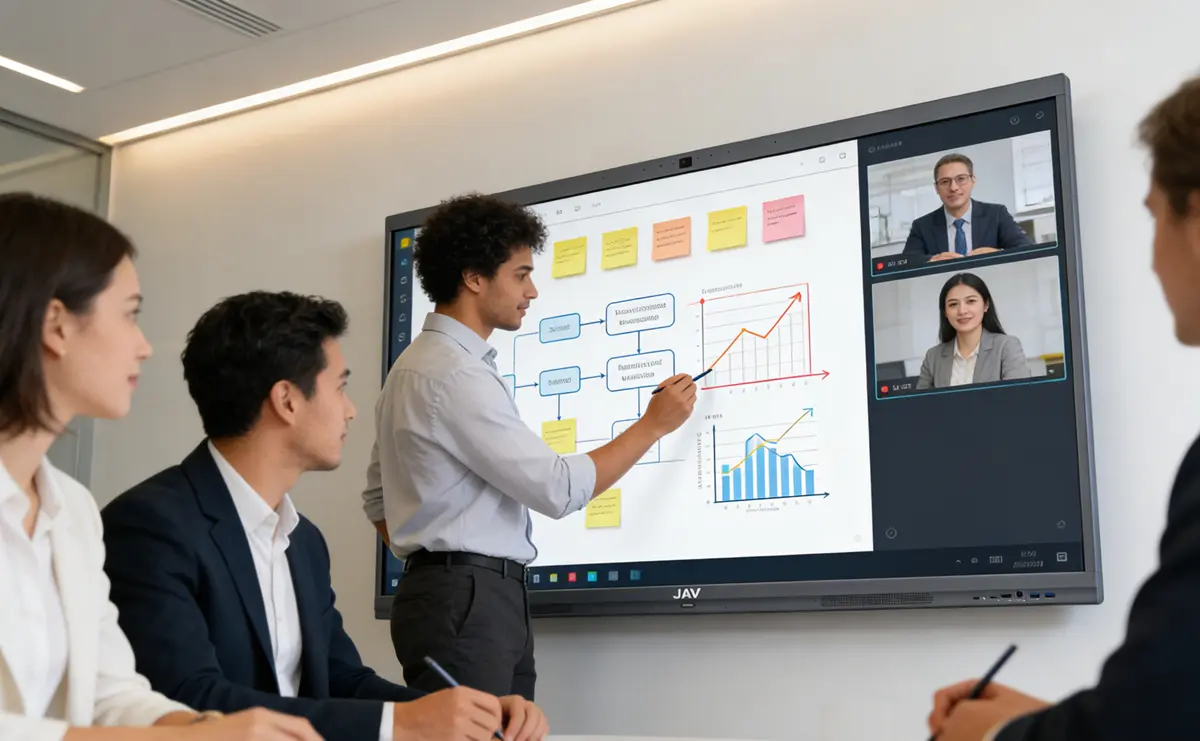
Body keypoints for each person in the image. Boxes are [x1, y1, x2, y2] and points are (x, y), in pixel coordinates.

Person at [100, 290, 547, 741]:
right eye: (340, 386)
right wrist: (400, 724)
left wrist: (471, 712)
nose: (350, 409)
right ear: (287, 401)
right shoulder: (150, 527)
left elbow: (341, 679)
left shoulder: (304, 542)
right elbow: (190, 699)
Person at [926, 74, 1200, 740]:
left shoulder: (1008, 345)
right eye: (949, 301)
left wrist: (994, 737)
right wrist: (1043, 723)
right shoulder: (932, 359)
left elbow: (1161, 715)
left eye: (1155, 217)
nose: (1153, 261)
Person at [0, 192, 321, 741]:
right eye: (130, 315)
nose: (145, 346)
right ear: (56, 325)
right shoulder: (151, 518)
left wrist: (213, 729)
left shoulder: (72, 510)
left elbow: (111, 693)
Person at [362, 193, 697, 699]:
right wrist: (652, 425)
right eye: (520, 274)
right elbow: (558, 489)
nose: (533, 290)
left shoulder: (414, 367)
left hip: (466, 596)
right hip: (468, 600)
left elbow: (376, 500)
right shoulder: (453, 373)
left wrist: (430, 559)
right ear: (474, 277)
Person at [902, 153, 1035, 262]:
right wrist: (931, 261)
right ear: (936, 188)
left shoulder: (996, 214)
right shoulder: (922, 226)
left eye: (961, 179)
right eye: (945, 182)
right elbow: (907, 262)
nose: (953, 188)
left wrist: (998, 253)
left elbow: (1026, 248)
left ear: (973, 181)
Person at [916, 272, 1030, 389]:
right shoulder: (933, 357)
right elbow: (920, 405)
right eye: (953, 304)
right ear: (945, 312)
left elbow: (1018, 397)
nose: (962, 311)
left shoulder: (1006, 346)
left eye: (970, 301)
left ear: (986, 305)